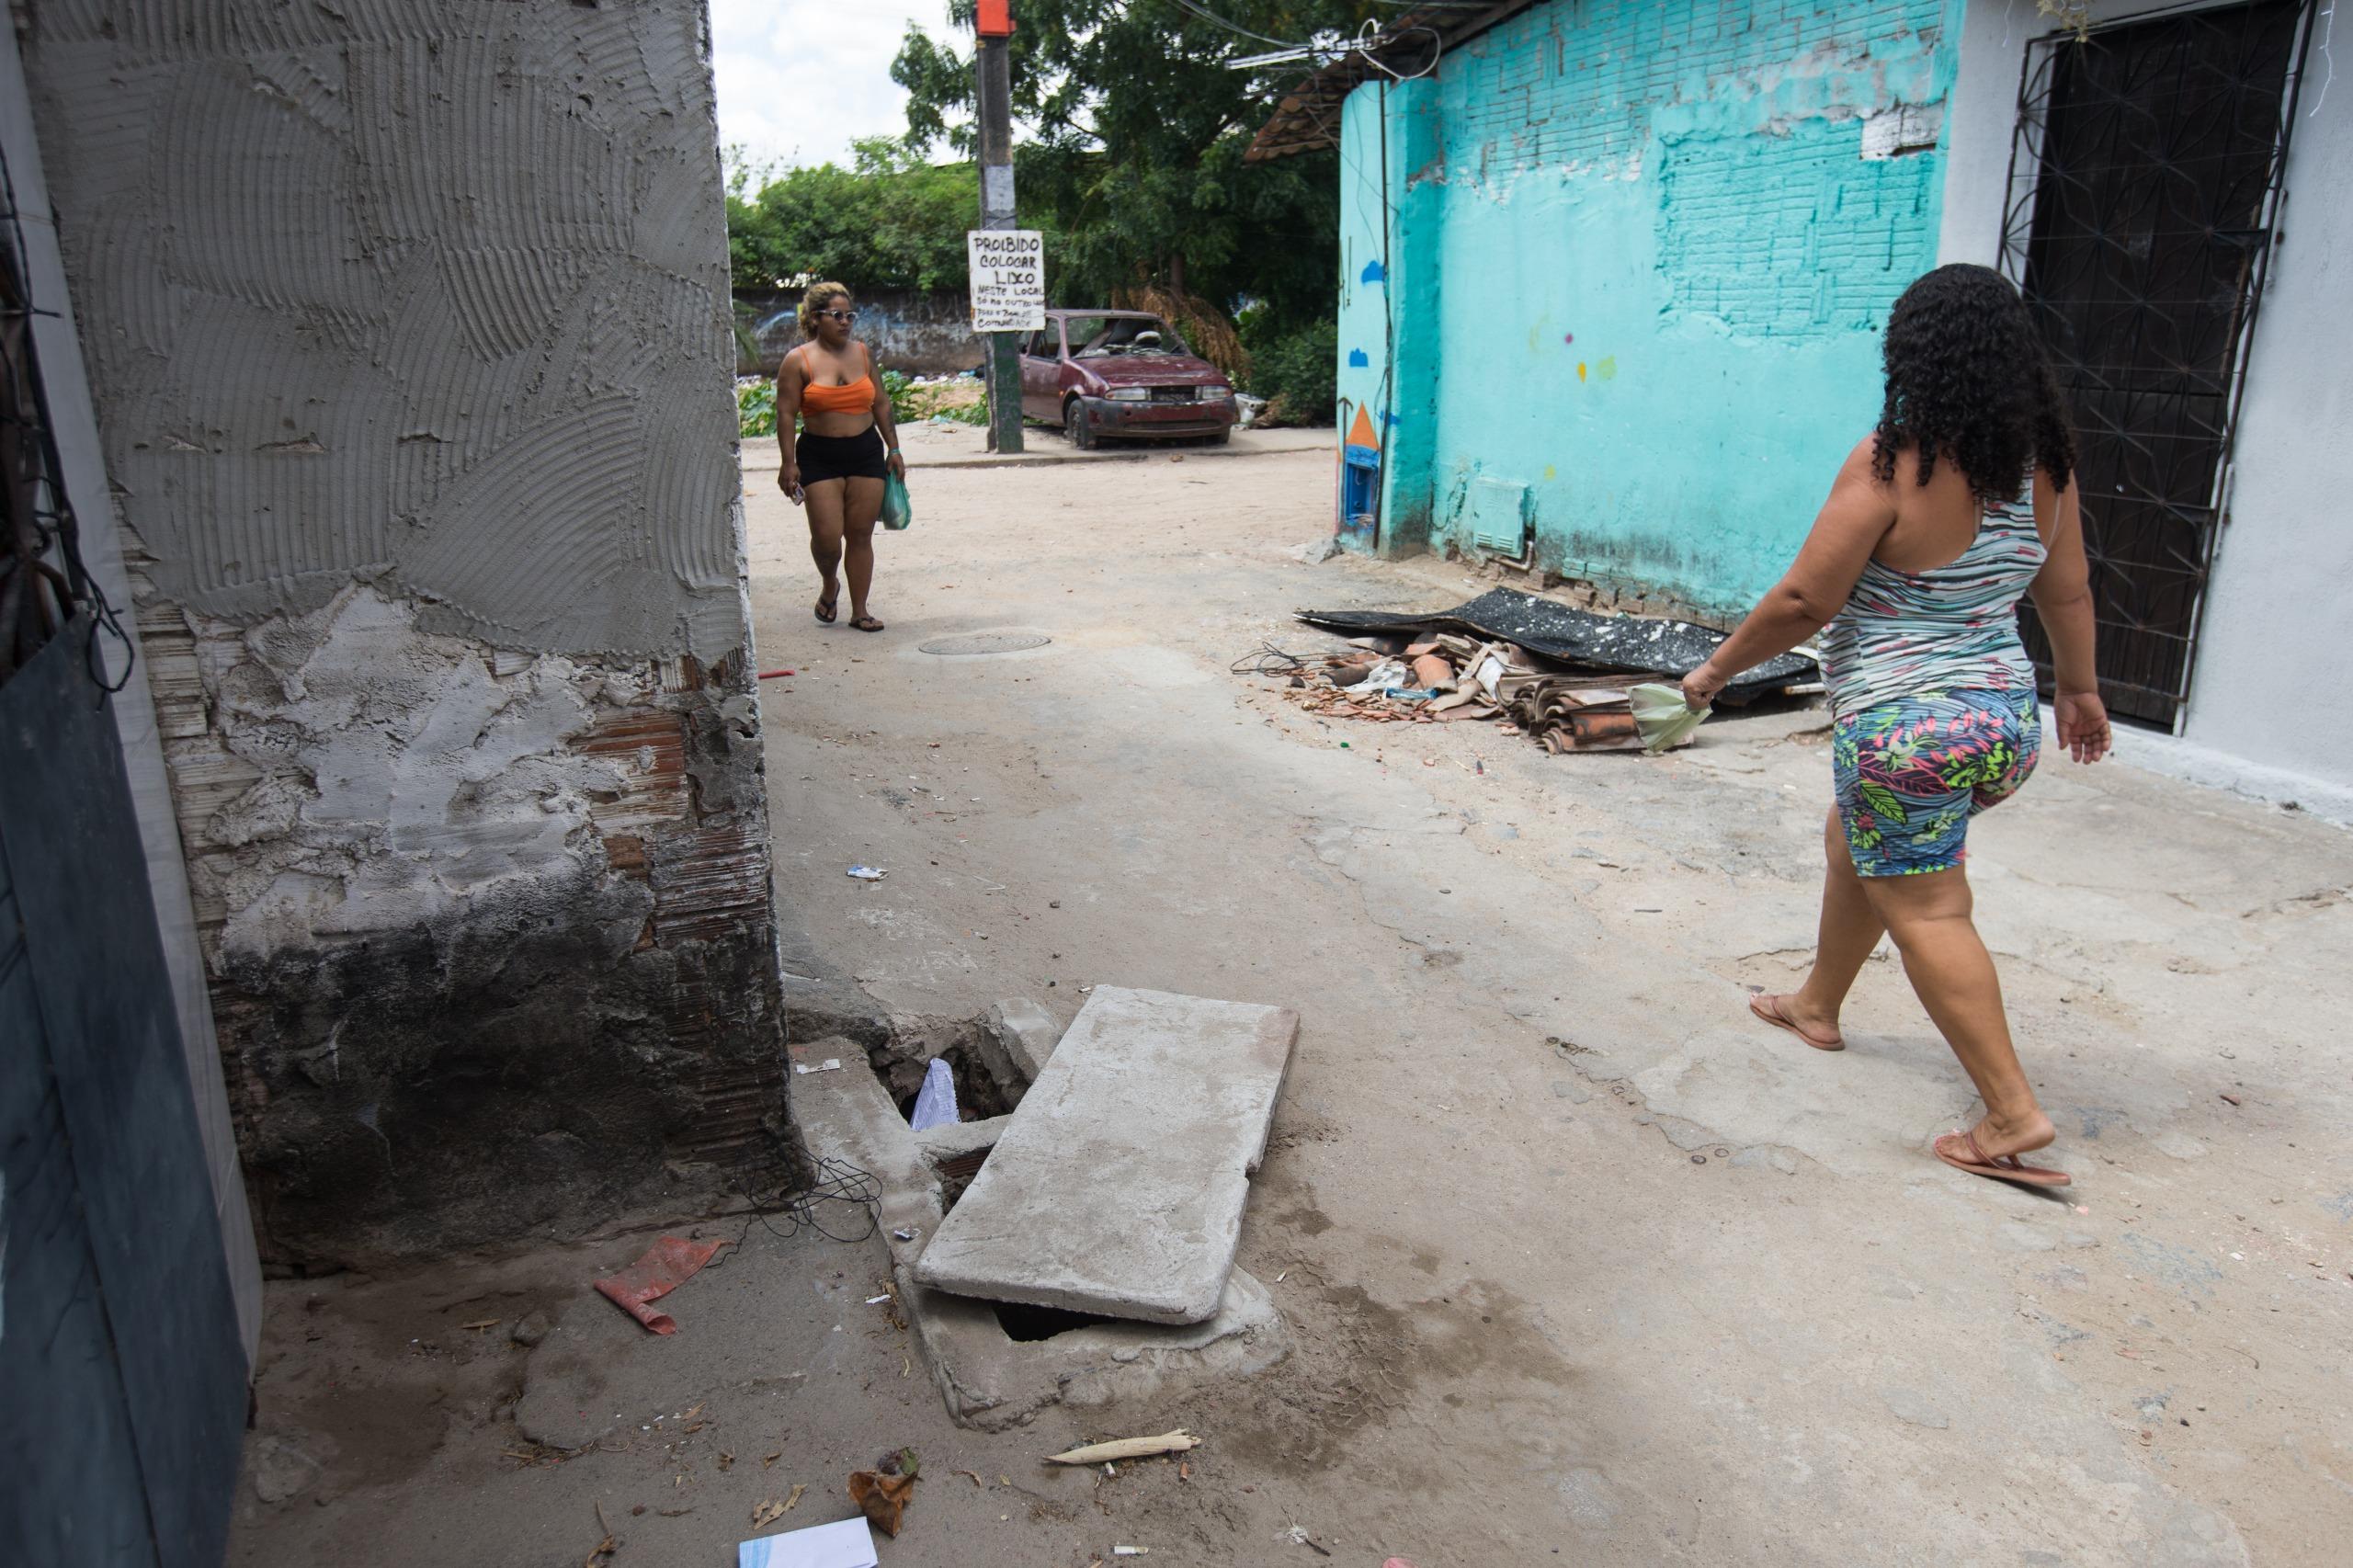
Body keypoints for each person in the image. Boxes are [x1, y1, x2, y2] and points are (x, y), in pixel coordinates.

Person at [1680, 263, 2112, 1189]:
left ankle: (2008, 1114)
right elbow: (2065, 587)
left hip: (1909, 734)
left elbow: (1804, 598)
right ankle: (1815, 1002)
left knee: (1925, 902)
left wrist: (1713, 672)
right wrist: (2077, 689)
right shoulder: (2046, 466)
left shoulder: (1891, 462)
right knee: (1859, 840)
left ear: (1911, 353)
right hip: (2002, 727)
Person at [778, 282, 904, 632]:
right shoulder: (798, 360)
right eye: (837, 315)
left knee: (860, 535)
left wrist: (893, 449)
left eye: (850, 315)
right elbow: (786, 414)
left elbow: (880, 402)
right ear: (816, 318)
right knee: (828, 538)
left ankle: (860, 610)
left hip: (864, 451)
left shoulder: (863, 354)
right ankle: (830, 583)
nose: (846, 321)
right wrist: (789, 462)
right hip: (818, 455)